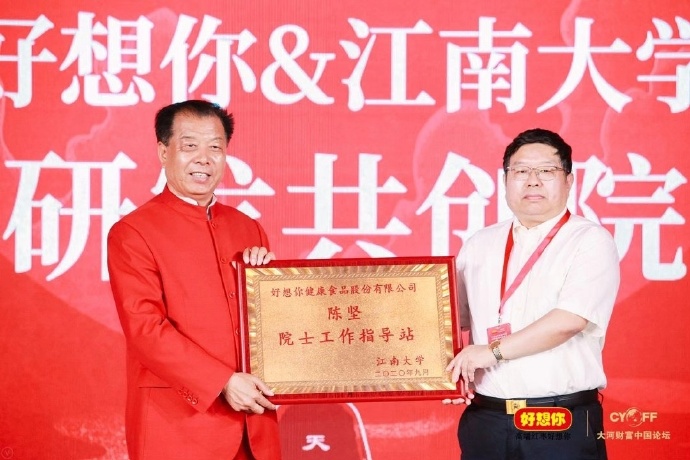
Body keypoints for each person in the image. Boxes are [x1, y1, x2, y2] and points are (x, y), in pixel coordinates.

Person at [107, 100, 281, 459]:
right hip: (178, 428)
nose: (204, 158)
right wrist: (222, 382)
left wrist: (274, 287)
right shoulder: (133, 232)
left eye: (215, 147)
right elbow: (145, 329)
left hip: (254, 427)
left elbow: (271, 327)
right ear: (163, 151)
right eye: (190, 146)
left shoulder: (248, 228)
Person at [444, 128, 620, 459]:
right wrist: (444, 375)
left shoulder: (589, 240)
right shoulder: (480, 243)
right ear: (505, 180)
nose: (533, 181)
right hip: (487, 419)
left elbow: (568, 321)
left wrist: (490, 352)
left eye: (546, 171)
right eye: (521, 171)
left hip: (558, 422)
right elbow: (451, 318)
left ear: (568, 181)